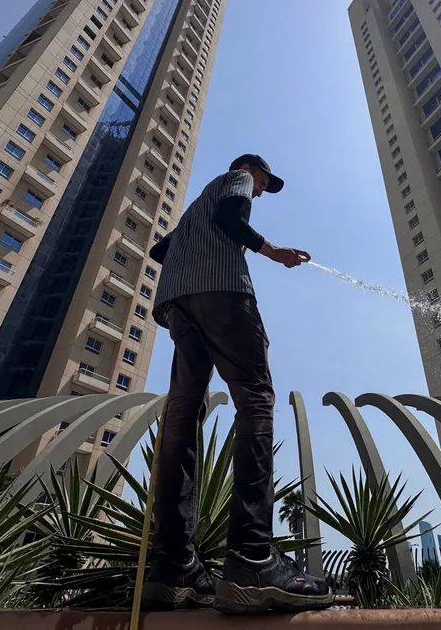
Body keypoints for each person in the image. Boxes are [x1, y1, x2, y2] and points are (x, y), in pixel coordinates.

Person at [141, 154, 334, 615]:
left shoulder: (191, 212)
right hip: (222, 293)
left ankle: (175, 565)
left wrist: (193, 252)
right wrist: (275, 252)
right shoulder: (237, 178)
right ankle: (252, 556)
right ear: (254, 169)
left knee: (183, 413)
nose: (262, 191)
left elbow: (158, 252)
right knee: (256, 399)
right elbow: (231, 216)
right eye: (265, 183)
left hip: (176, 304)